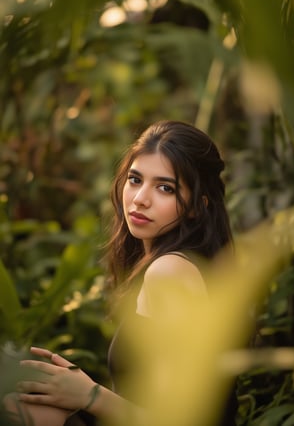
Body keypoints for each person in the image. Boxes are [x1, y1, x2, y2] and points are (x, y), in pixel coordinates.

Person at [3, 120, 235, 426]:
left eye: (165, 188)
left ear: (196, 207)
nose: (140, 198)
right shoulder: (178, 263)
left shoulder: (170, 272)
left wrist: (90, 396)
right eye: (136, 179)